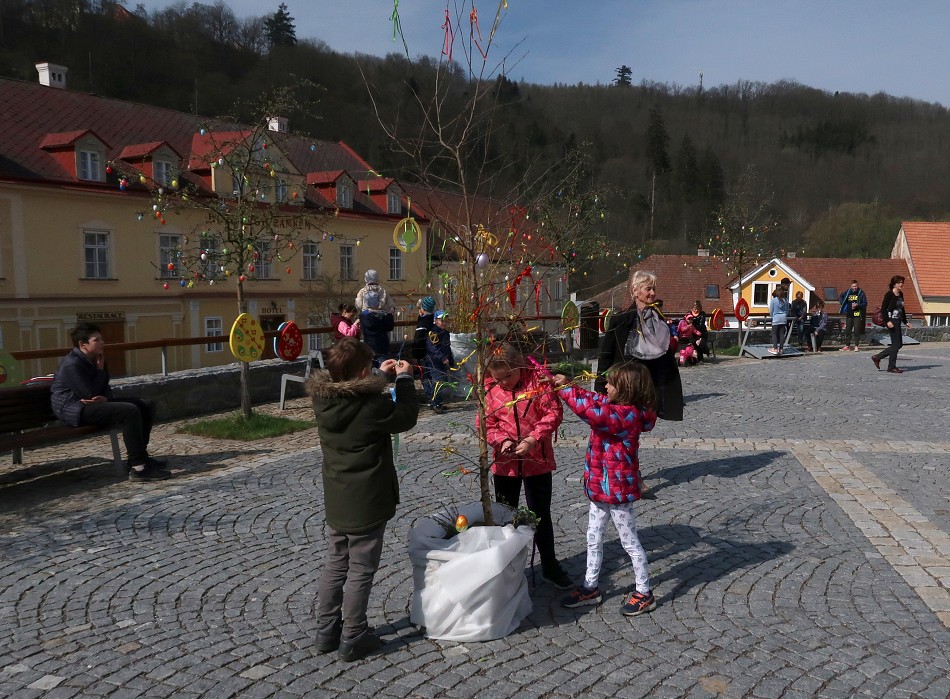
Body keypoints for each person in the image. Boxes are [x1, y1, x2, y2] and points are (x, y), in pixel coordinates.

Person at [308, 338, 418, 662]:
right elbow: (405, 416)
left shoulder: (323, 400)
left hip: (338, 498)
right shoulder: (372, 407)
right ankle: (353, 634)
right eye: (368, 369)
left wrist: (380, 378)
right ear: (359, 373)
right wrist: (405, 379)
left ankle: (326, 631)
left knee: (335, 563)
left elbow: (353, 396)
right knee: (361, 569)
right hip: (367, 499)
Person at [551, 362, 658, 616]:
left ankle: (644, 591)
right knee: (593, 538)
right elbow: (594, 400)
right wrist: (569, 384)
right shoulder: (616, 407)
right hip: (600, 489)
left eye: (610, 383)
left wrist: (567, 390)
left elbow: (593, 412)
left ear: (625, 390)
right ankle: (590, 587)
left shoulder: (626, 415)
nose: (605, 386)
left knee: (629, 542)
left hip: (618, 492)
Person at [477, 343, 570, 588]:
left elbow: (553, 413)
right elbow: (485, 423)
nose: (504, 382)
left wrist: (533, 438)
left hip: (536, 461)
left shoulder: (538, 383)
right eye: (498, 378)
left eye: (508, 376)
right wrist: (501, 440)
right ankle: (506, 568)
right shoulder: (490, 390)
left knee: (540, 516)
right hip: (505, 466)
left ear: (519, 367)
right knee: (505, 517)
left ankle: (550, 565)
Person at [50, 322, 169, 481]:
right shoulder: (71, 364)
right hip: (74, 409)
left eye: (101, 338)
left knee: (145, 405)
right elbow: (89, 393)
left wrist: (106, 398)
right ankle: (139, 467)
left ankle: (140, 457)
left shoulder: (96, 359)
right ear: (82, 344)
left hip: (93, 404)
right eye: (96, 340)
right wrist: (99, 372)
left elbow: (103, 388)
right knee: (129, 411)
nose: (102, 342)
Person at [596, 270, 684, 421]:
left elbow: (664, 358)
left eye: (654, 289)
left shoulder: (658, 321)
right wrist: (600, 385)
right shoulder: (621, 319)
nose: (652, 293)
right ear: (635, 291)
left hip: (647, 390)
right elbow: (606, 354)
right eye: (648, 288)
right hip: (624, 386)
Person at [871, 275, 912, 374]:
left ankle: (878, 358)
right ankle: (890, 366)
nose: (901, 284)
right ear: (894, 284)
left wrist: (905, 322)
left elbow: (902, 309)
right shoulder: (889, 294)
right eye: (899, 282)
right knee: (897, 344)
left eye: (902, 282)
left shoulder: (900, 294)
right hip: (891, 321)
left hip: (898, 320)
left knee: (897, 344)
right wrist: (887, 321)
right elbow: (884, 309)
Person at [424, 310, 455, 413]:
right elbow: (433, 348)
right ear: (436, 321)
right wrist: (442, 357)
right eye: (441, 320)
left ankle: (437, 402)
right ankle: (436, 403)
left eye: (446, 321)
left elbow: (448, 348)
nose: (444, 323)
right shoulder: (433, 333)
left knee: (442, 382)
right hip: (434, 361)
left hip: (443, 361)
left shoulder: (445, 333)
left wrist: (450, 360)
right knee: (438, 381)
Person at [359, 291, 395, 367]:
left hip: (369, 345)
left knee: (371, 366)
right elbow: (390, 327)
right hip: (382, 346)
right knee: (383, 366)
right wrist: (390, 314)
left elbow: (363, 313)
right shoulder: (382, 314)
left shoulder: (364, 313)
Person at [838, 280, 868, 351]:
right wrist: (842, 303)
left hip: (857, 314)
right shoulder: (848, 292)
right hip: (849, 314)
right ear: (851, 286)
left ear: (858, 286)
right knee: (848, 330)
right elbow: (841, 296)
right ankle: (847, 345)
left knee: (856, 330)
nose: (854, 288)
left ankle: (856, 345)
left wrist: (858, 305)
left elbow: (865, 303)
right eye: (853, 286)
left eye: (856, 286)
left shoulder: (861, 293)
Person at [768, 287, 790, 355]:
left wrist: (772, 316)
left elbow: (771, 310)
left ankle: (775, 348)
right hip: (783, 318)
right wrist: (785, 315)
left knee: (774, 334)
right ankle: (781, 349)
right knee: (781, 334)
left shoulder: (774, 300)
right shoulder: (786, 300)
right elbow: (787, 310)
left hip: (776, 318)